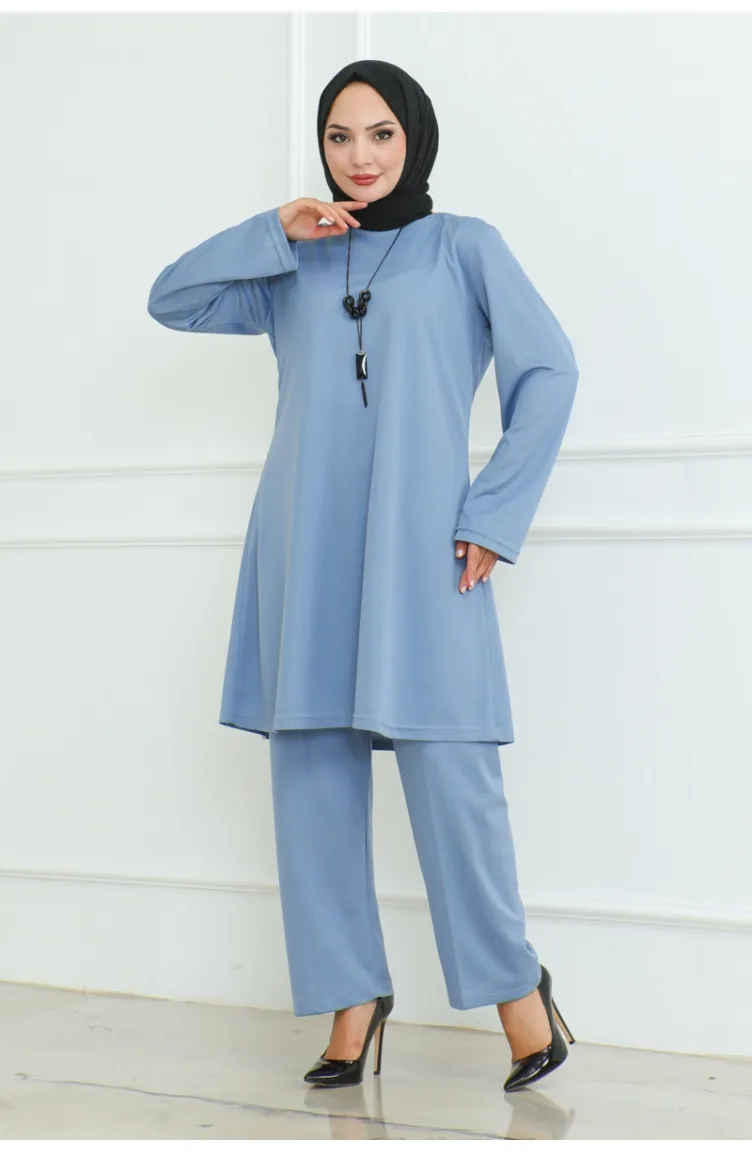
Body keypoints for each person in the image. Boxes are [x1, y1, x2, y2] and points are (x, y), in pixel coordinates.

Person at [146, 59, 579, 1093]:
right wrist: (274, 228)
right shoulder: (293, 260)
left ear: (413, 136)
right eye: (340, 137)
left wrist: (493, 513)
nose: (360, 157)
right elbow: (173, 299)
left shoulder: (464, 247)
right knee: (311, 777)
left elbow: (549, 371)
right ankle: (351, 999)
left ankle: (518, 994)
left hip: (424, 547)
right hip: (304, 541)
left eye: (380, 133)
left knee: (449, 772)